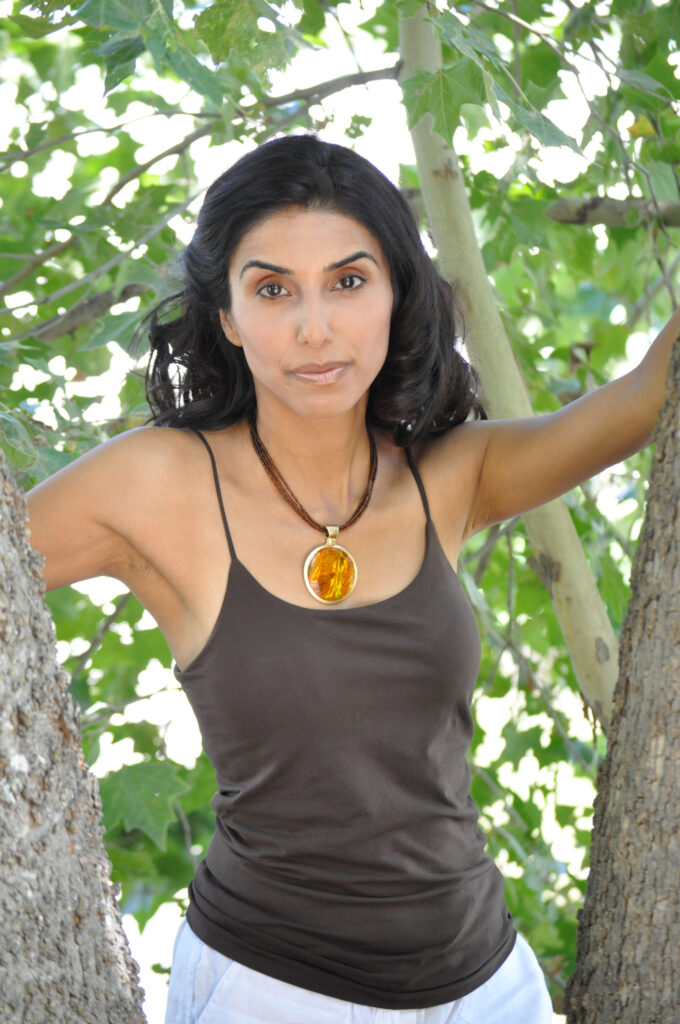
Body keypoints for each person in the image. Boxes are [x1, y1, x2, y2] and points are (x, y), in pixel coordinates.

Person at [25, 134, 678, 1024]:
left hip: (489, 986)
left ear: (396, 292)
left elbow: (643, 398)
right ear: (226, 316)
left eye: (348, 281)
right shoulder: (157, 482)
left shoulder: (449, 473)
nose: (315, 328)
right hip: (273, 988)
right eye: (273, 290)